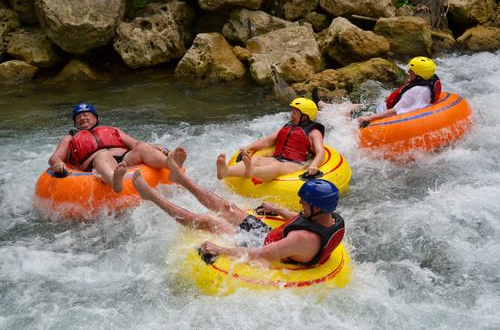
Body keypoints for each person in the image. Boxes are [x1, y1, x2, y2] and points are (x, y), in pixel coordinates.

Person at [132, 150, 345, 265]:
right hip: (272, 237)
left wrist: (219, 250)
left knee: (207, 221)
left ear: (317, 207)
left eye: (305, 203)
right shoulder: (329, 217)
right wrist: (278, 210)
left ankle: (152, 197)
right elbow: (302, 220)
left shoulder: (301, 240)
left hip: (261, 247)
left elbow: (260, 255)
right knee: (226, 206)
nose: (300, 205)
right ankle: (180, 177)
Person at [48, 103, 184, 193]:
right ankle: (114, 179)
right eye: (78, 117)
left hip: (124, 159)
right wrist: (57, 163)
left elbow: (135, 144)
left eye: (86, 114)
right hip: (97, 163)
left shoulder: (112, 130)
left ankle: (170, 165)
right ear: (75, 123)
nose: (82, 118)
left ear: (95, 117)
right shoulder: (69, 138)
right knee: (102, 155)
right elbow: (55, 157)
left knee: (142, 147)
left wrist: (152, 146)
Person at [216, 97, 326, 182]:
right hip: (277, 157)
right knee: (256, 160)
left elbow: (320, 151)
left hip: (295, 163)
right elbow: (267, 141)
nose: (291, 116)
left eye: (294, 113)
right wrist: (248, 147)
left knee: (277, 166)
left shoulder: (314, 132)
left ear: (305, 116)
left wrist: (314, 165)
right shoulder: (288, 127)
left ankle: (253, 171)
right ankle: (226, 172)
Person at [315, 57, 441, 126]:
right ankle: (323, 105)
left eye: (411, 71)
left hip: (382, 116)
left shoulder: (415, 92)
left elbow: (393, 111)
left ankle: (313, 114)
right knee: (357, 106)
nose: (408, 72)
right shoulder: (424, 84)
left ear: (419, 75)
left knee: (349, 114)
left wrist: (368, 118)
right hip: (382, 108)